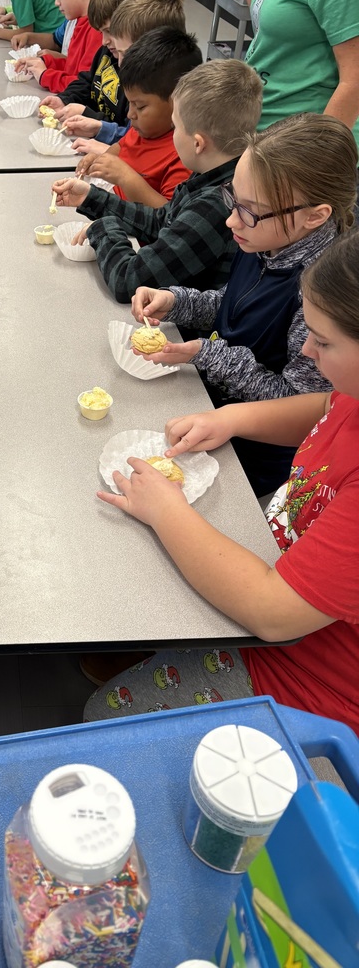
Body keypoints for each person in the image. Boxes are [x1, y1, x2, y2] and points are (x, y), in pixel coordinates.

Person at [85, 227, 359, 737]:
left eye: (322, 341)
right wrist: (233, 418)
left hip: (309, 677)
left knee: (103, 719)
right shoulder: (351, 391)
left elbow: (272, 613)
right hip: (283, 569)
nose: (304, 352)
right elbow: (328, 406)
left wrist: (168, 510)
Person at [130, 113, 358, 497]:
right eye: (232, 199)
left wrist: (208, 354)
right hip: (209, 407)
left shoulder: (320, 298)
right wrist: (177, 301)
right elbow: (233, 304)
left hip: (251, 456)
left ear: (315, 216)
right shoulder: (264, 237)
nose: (232, 220)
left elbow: (300, 407)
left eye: (249, 210)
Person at [51, 59, 263, 301]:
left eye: (175, 126)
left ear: (197, 143)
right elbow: (164, 221)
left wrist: (103, 229)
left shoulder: (215, 205)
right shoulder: (212, 171)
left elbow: (129, 280)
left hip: (184, 331)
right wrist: (93, 198)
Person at [227, 0, 359, 150]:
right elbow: (273, 29)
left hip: (296, 150)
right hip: (264, 135)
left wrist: (315, 162)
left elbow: (355, 81)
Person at [70, 27, 202, 208]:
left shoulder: (182, 154)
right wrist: (98, 159)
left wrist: (125, 177)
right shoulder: (144, 129)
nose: (130, 114)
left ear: (177, 101)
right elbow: (122, 147)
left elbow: (167, 217)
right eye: (130, 103)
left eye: (140, 106)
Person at [36, 0, 147, 147]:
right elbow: (88, 81)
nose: (104, 41)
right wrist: (64, 99)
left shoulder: (138, 74)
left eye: (109, 31)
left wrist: (90, 117)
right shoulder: (108, 52)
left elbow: (132, 134)